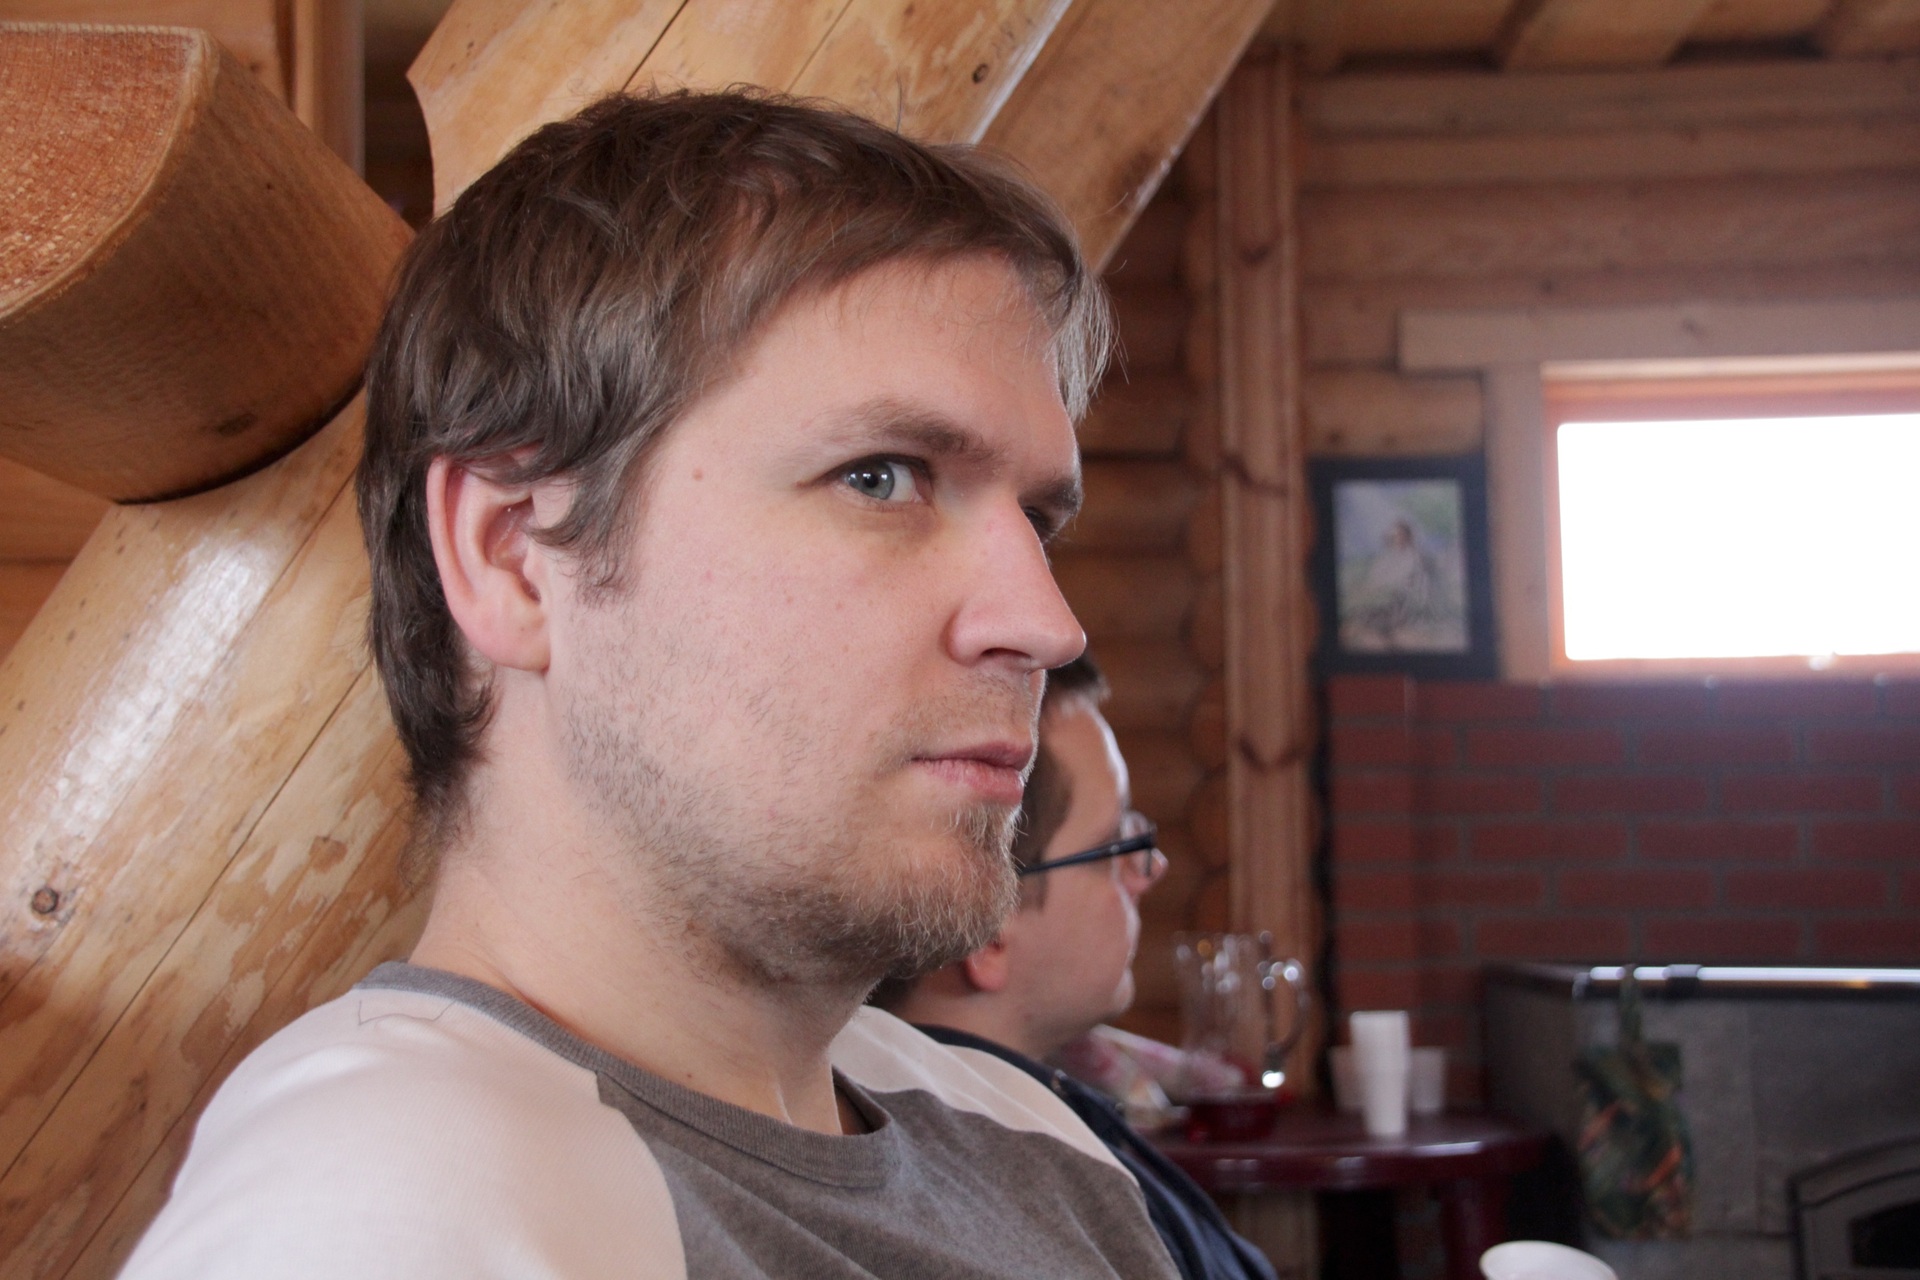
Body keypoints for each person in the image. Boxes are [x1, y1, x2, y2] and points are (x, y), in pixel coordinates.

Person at [120, 91, 1184, 1279]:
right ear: (513, 555)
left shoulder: (1028, 1136)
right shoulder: (391, 1212)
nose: (1045, 622)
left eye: (1037, 517)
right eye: (881, 477)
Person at [874, 654, 1277, 1280]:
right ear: (987, 930)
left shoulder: (1034, 1115)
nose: (1152, 871)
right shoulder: (1016, 1207)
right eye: (1116, 845)